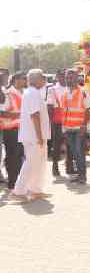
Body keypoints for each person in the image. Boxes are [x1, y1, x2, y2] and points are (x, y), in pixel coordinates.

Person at [11, 70, 51, 201]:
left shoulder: (33, 92)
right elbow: (34, 116)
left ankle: (35, 190)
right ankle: (18, 192)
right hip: (34, 136)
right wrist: (39, 137)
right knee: (31, 163)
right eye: (42, 77)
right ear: (36, 79)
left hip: (36, 136)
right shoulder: (32, 93)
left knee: (39, 163)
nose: (44, 79)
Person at [60, 69, 89, 184]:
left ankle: (82, 176)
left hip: (78, 128)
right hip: (68, 128)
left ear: (77, 78)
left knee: (79, 152)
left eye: (71, 77)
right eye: (67, 77)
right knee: (74, 152)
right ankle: (80, 174)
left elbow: (88, 110)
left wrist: (83, 125)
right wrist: (63, 127)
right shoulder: (65, 93)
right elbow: (64, 111)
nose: (68, 79)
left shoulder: (83, 92)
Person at [0, 72, 25, 190]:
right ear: (16, 80)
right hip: (11, 130)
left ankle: (17, 181)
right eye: (23, 79)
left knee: (19, 156)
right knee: (13, 157)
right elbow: (3, 113)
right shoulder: (8, 93)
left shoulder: (22, 93)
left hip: (20, 129)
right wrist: (22, 114)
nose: (26, 81)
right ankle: (12, 182)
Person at [45, 70, 68, 177]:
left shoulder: (70, 88)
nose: (63, 78)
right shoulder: (52, 89)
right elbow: (49, 106)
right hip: (57, 120)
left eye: (65, 76)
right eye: (61, 76)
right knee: (57, 144)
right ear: (57, 77)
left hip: (70, 119)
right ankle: (55, 167)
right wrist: (49, 122)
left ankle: (69, 166)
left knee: (69, 143)